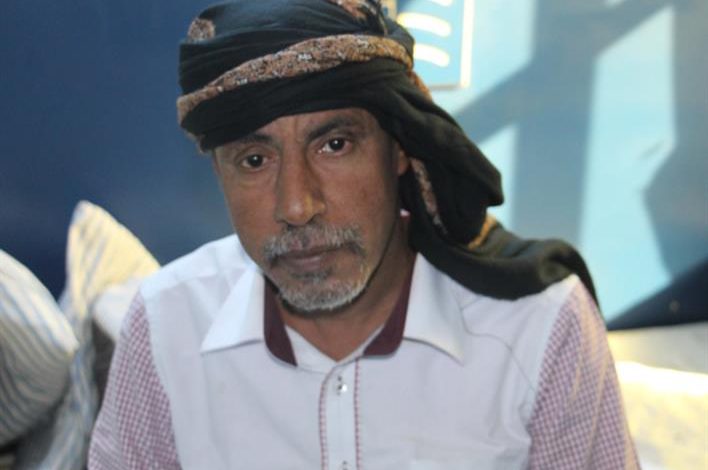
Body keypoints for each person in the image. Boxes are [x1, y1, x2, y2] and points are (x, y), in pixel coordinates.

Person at [89, 1, 639, 468]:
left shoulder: (540, 327)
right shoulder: (166, 326)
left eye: (335, 145)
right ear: (219, 173)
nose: (297, 207)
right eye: (255, 160)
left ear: (400, 148)